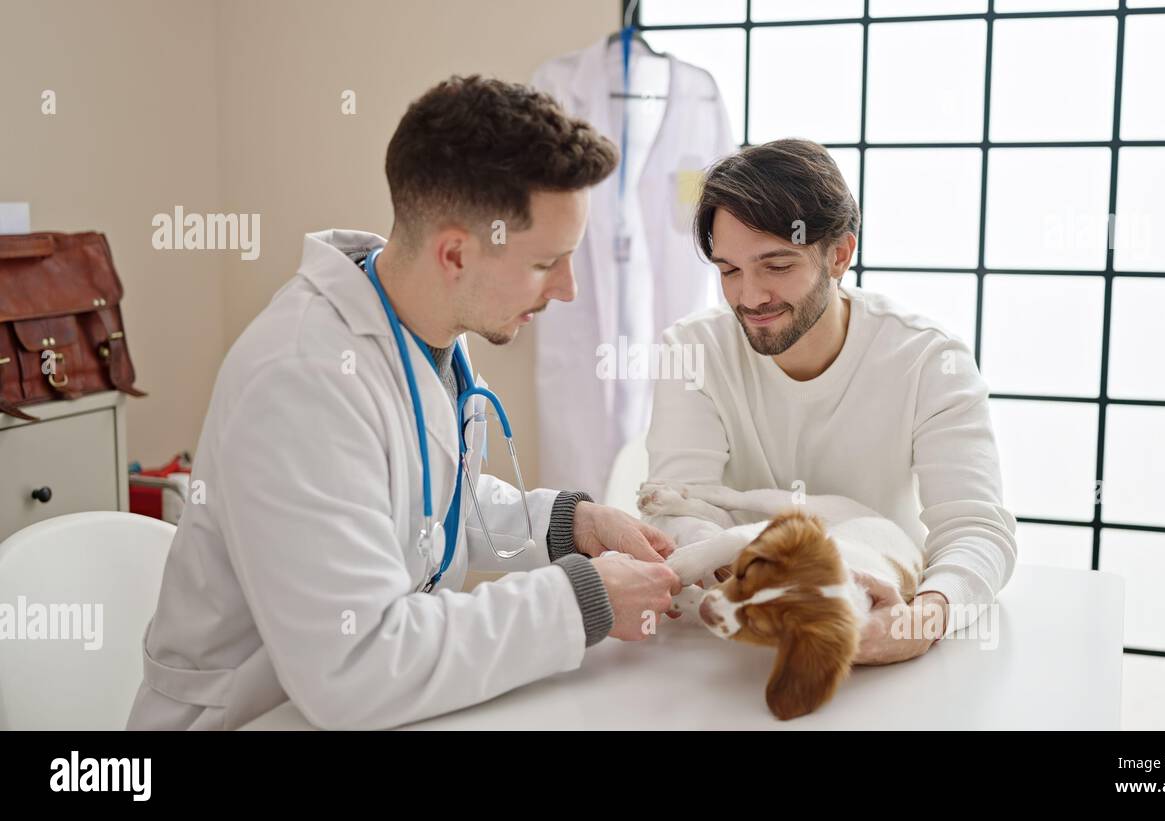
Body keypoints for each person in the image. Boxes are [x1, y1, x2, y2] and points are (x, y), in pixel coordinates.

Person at [128, 76, 681, 731]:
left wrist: (568, 523)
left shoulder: (420, 330)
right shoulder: (300, 380)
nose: (567, 289)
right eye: (546, 263)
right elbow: (356, 666)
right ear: (454, 253)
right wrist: (582, 600)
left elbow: (428, 506)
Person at [642, 139, 1018, 664]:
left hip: (877, 613)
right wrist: (744, 572)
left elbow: (975, 528)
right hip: (733, 634)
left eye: (776, 266)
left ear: (839, 254)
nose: (749, 297)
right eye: (729, 270)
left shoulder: (927, 359)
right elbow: (683, 503)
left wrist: (923, 618)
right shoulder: (691, 350)